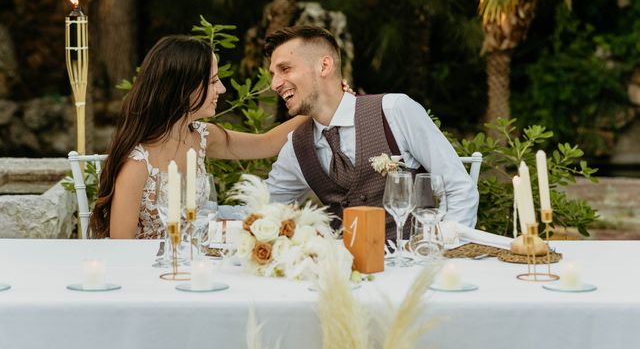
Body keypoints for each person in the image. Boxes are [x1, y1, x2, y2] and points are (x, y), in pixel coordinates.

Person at [263, 25, 479, 240]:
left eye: (285, 69)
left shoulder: (394, 110)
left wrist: (442, 255)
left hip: (411, 265)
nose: (274, 84)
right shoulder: (297, 146)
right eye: (273, 74)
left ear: (324, 66)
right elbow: (261, 209)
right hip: (344, 270)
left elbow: (459, 189)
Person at [89, 35, 311, 239]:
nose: (222, 89)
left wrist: (321, 107)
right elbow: (121, 247)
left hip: (198, 263)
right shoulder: (136, 164)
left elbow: (267, 143)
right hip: (154, 271)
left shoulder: (202, 136)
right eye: (213, 81)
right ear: (184, 88)